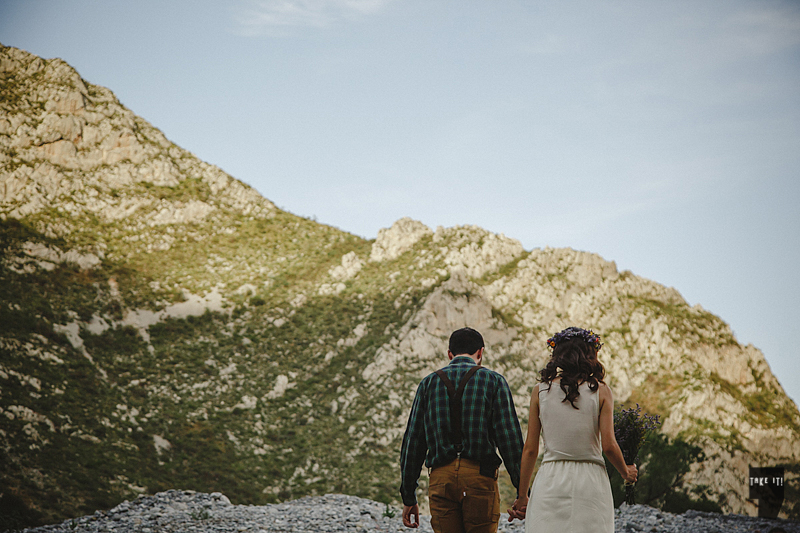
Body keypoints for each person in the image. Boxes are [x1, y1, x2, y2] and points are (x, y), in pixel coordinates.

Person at [507, 327, 638, 532]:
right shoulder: (602, 391)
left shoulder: (539, 391)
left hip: (551, 479)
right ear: (591, 355)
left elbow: (530, 450)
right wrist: (626, 472)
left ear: (558, 356)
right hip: (591, 481)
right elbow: (609, 446)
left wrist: (522, 496)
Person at [399, 327, 525, 533]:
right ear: (480, 352)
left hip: (441, 479)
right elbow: (510, 441)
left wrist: (409, 496)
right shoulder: (494, 381)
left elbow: (413, 444)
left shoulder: (428, 384)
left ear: (450, 354)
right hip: (479, 478)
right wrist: (523, 493)